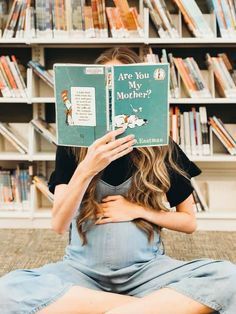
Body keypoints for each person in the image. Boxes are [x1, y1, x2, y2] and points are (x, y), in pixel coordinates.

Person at [0, 47, 236, 314]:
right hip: (81, 274)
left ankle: (101, 310)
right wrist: (88, 167)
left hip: (147, 272)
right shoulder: (73, 146)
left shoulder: (162, 147)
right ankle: (145, 309)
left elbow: (189, 222)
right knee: (6, 291)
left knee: (229, 277)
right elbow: (58, 223)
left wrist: (138, 210)